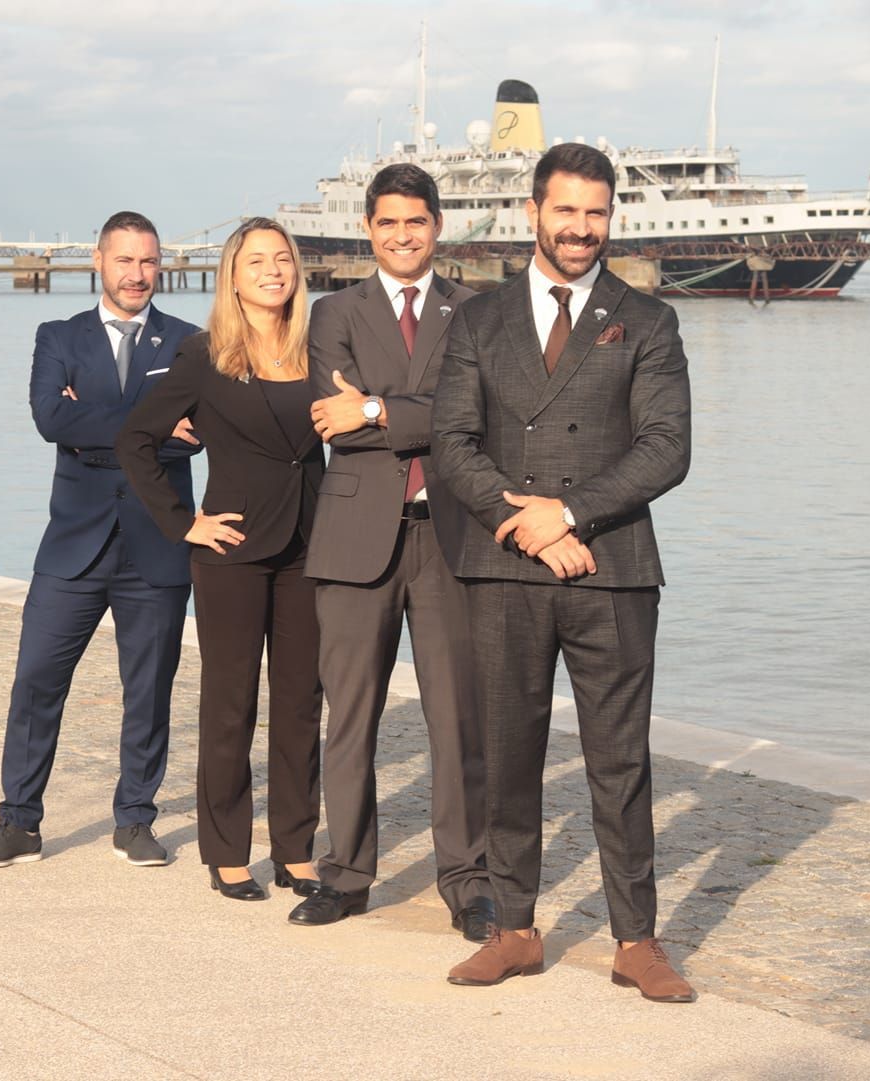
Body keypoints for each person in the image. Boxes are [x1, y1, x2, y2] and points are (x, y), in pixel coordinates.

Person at [430, 142, 695, 1001]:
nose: (581, 228)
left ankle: (636, 940)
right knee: (508, 752)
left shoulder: (647, 320)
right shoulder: (478, 319)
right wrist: (529, 526)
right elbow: (452, 444)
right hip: (506, 566)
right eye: (567, 210)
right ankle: (513, 929)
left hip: (612, 567)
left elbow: (667, 447)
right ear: (533, 213)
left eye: (596, 212)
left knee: (620, 761)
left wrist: (570, 513)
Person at [288, 163, 494, 940]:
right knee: (350, 716)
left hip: (450, 537)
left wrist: (374, 406)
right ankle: (345, 874)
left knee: (457, 720)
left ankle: (468, 881)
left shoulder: (476, 312)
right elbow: (328, 418)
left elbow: (472, 417)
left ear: (438, 226)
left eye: (416, 221)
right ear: (367, 229)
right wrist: (417, 414)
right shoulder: (333, 313)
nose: (402, 236)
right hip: (354, 539)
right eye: (388, 223)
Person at [0, 211, 200, 869]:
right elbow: (49, 417)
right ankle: (19, 823)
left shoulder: (190, 344)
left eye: (148, 261)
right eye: (124, 260)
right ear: (99, 261)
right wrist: (150, 428)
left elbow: (198, 433)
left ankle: (136, 821)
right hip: (73, 544)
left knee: (148, 690)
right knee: (36, 680)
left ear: (161, 264)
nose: (137, 274)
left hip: (156, 543)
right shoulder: (58, 336)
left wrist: (90, 424)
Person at [116, 217, 324, 902]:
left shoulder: (318, 347)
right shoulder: (204, 355)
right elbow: (136, 440)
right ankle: (227, 851)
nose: (273, 270)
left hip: (309, 547)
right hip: (231, 552)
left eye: (282, 258)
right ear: (232, 275)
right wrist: (185, 524)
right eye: (256, 260)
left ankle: (296, 848)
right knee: (231, 704)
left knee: (300, 704)